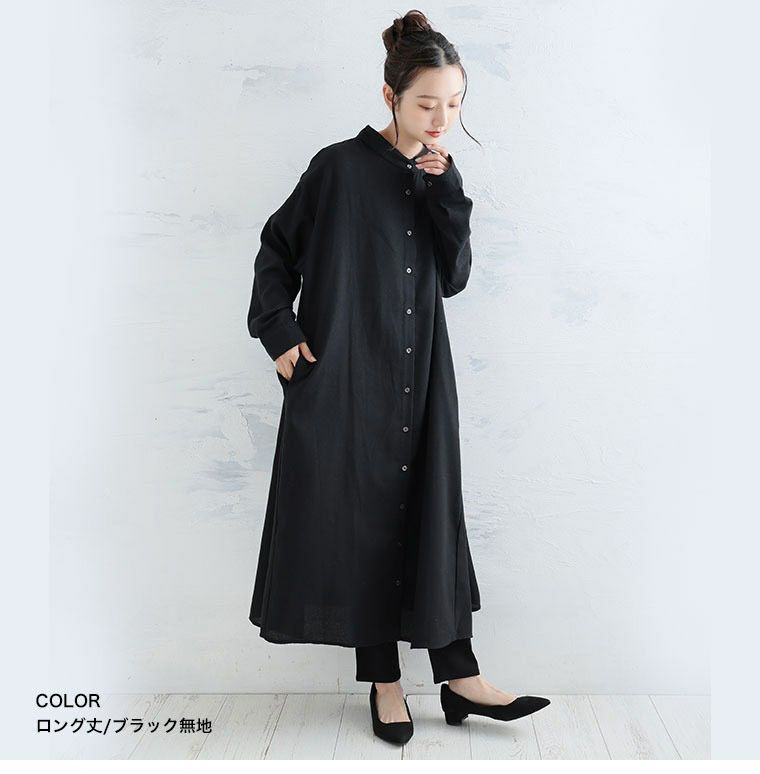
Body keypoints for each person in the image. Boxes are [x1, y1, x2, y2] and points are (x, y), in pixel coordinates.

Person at [246, 9, 550, 744]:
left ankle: (459, 676)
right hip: (347, 377)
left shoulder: (440, 177)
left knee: (430, 515)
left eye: (455, 103)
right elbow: (275, 250)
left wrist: (447, 195)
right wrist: (279, 333)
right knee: (362, 521)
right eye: (427, 103)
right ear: (390, 96)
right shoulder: (336, 169)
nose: (443, 119)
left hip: (422, 378)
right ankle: (385, 680)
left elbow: (454, 278)